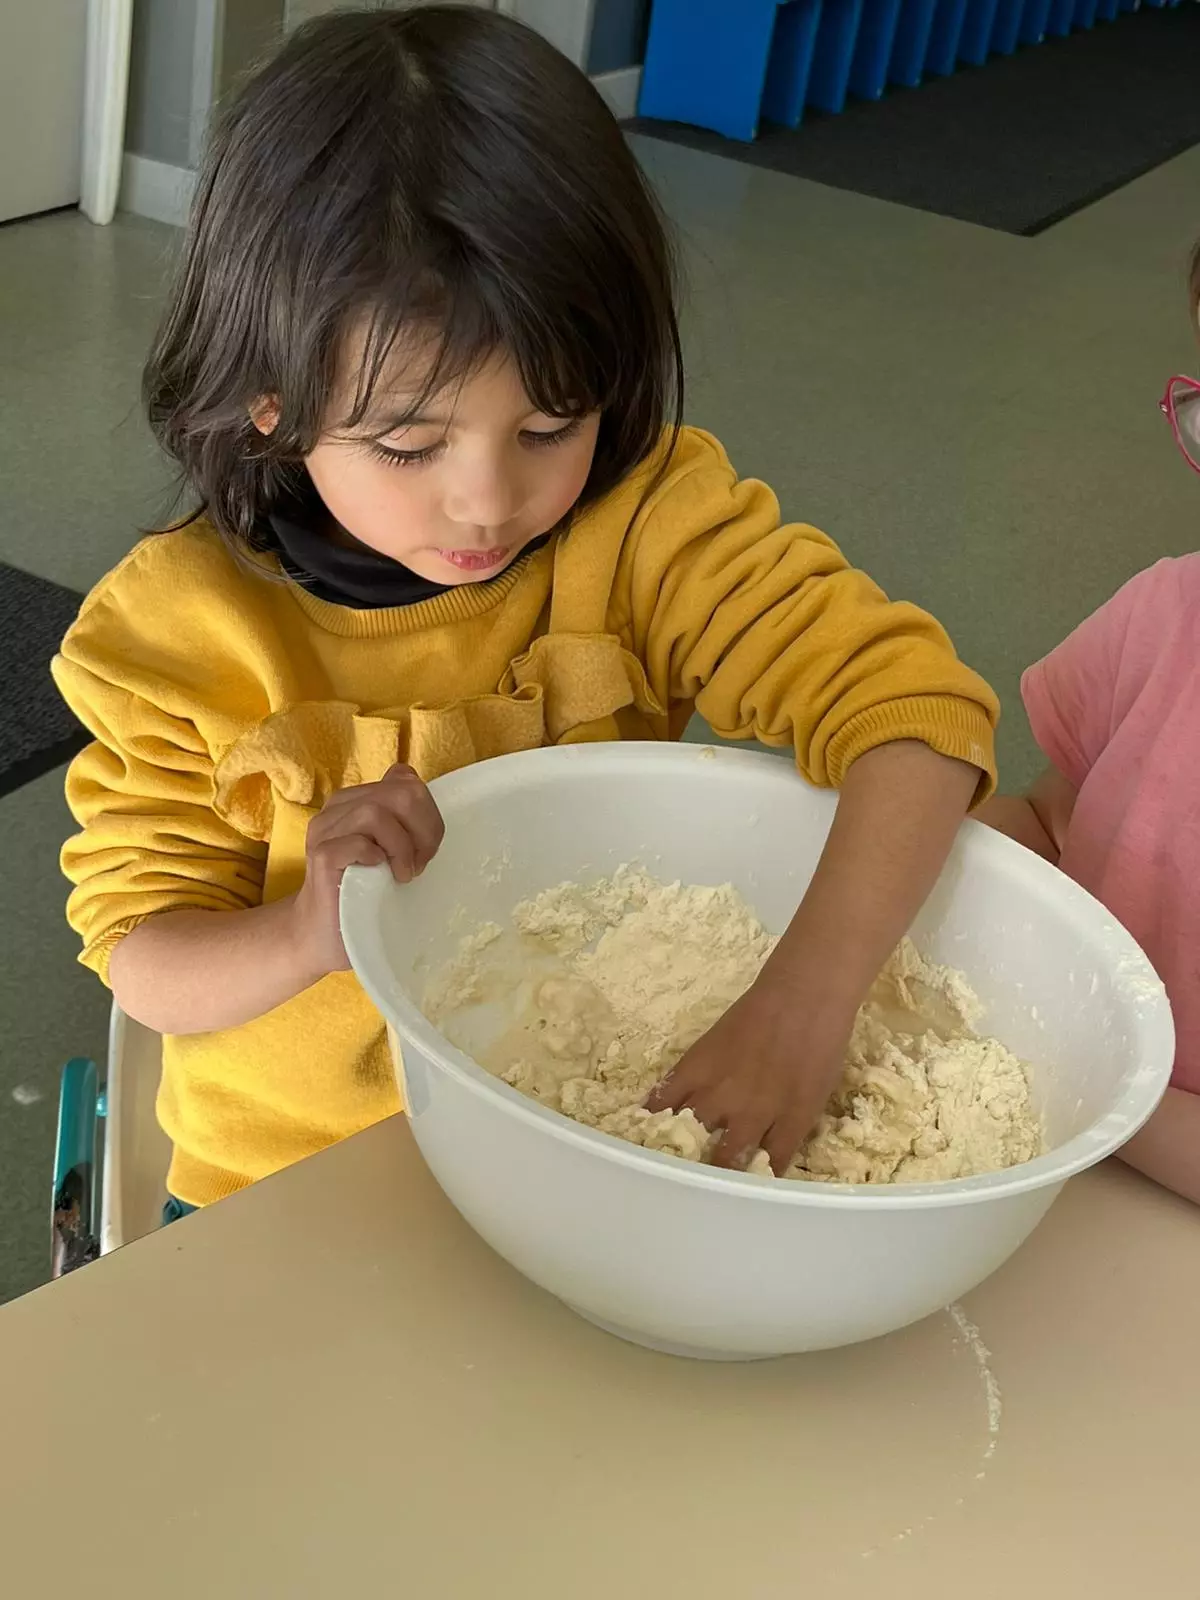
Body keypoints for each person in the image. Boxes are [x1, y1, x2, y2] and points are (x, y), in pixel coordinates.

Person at [54, 5, 998, 1215]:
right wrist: (300, 934)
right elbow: (145, 958)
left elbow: (915, 716)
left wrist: (801, 1007)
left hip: (586, 1141)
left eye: (550, 426)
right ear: (271, 403)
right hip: (289, 1187)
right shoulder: (175, 635)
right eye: (407, 444)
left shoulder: (644, 524)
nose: (490, 502)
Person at [980, 246, 1200, 1206]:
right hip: (1056, 1142)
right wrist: (874, 864)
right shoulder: (1164, 613)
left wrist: (1106, 1093)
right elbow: (1050, 822)